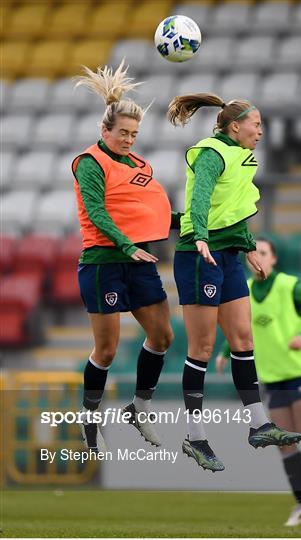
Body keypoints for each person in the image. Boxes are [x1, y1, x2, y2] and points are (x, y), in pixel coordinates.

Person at [168, 93, 301, 473]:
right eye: (256, 124)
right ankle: (194, 437)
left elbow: (234, 210)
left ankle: (259, 425)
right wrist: (199, 236)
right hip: (199, 255)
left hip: (225, 256)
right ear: (234, 127)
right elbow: (201, 199)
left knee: (243, 339)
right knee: (203, 347)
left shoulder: (243, 158)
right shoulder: (211, 152)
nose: (261, 130)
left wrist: (247, 249)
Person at [72, 61, 179, 451]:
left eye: (134, 134)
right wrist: (127, 245)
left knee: (163, 336)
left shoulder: (140, 166)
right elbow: (97, 212)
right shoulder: (89, 163)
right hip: (104, 262)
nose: (130, 140)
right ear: (104, 130)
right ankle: (90, 415)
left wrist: (193, 224)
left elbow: (153, 213)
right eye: (123, 133)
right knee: (107, 349)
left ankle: (139, 406)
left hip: (138, 259)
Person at [216, 237, 301, 526]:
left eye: (264, 253)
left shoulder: (288, 285)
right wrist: (225, 352)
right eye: (255, 253)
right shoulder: (246, 291)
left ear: (273, 259)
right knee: (284, 442)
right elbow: (241, 328)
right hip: (273, 376)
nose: (258, 257)